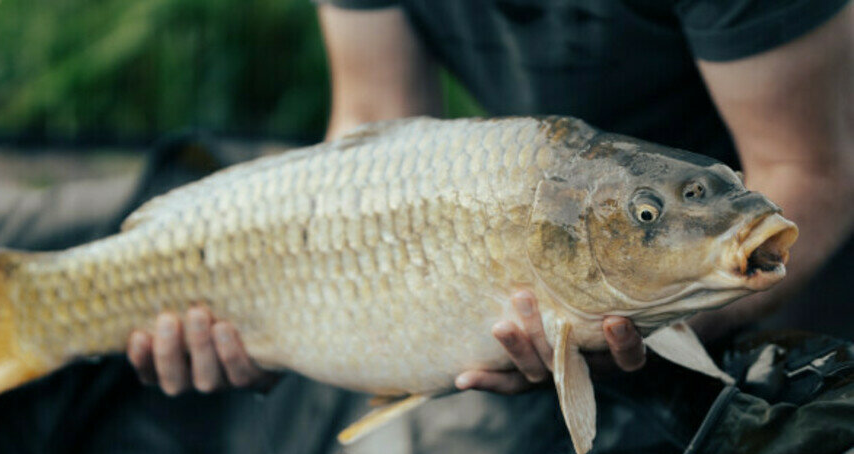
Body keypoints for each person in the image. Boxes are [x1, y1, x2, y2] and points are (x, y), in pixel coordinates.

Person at [126, 0, 853, 398]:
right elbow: (372, 121)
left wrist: (645, 324)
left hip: (776, 261)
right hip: (534, 217)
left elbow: (810, 167)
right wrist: (288, 312)